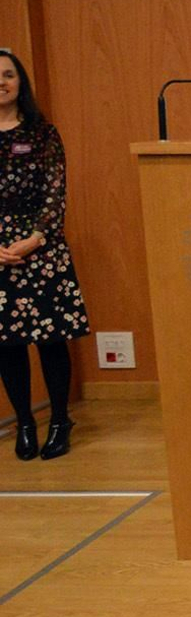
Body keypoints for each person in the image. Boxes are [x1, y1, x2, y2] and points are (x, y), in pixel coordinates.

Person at [0, 48, 89, 461]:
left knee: (51, 340)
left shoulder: (42, 133)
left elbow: (56, 193)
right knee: (7, 344)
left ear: (21, 82)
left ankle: (59, 421)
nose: (1, 82)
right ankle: (24, 422)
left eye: (8, 75)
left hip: (42, 247)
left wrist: (34, 239)